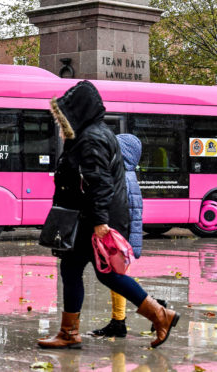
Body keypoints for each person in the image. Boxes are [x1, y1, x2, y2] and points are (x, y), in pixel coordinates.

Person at [38, 80, 180, 349]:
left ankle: (160, 315)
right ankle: (69, 332)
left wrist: (100, 222)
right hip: (86, 219)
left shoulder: (91, 138)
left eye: (64, 115)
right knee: (73, 268)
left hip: (91, 221)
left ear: (77, 111)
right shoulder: (90, 135)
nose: (60, 122)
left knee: (106, 274)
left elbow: (99, 182)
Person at [91, 134, 167, 338]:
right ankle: (119, 322)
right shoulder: (127, 174)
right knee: (117, 279)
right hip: (122, 237)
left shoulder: (122, 176)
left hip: (119, 237)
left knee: (117, 279)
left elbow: (126, 212)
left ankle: (155, 308)